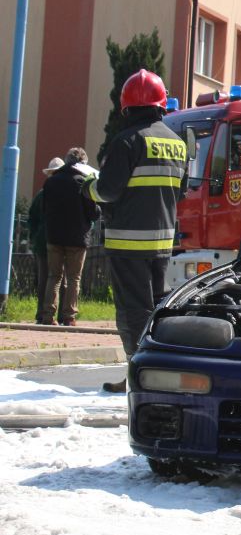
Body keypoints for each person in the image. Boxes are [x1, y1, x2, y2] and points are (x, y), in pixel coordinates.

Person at [81, 70, 187, 393]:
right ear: (161, 105)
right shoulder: (178, 144)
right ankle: (157, 372)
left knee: (132, 311)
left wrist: (88, 188)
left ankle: (137, 377)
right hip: (162, 244)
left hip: (127, 243)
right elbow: (179, 193)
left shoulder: (127, 140)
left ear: (126, 107)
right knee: (156, 308)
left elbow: (108, 191)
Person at [42, 148, 100, 326]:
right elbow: (93, 213)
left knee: (54, 276)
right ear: (82, 163)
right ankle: (69, 316)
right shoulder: (83, 182)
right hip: (77, 237)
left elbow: (44, 209)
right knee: (74, 277)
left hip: (54, 236)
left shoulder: (51, 182)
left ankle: (48, 316)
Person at [28, 157, 64, 324]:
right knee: (55, 280)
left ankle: (43, 314)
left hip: (44, 242)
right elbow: (33, 218)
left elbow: (32, 219)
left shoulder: (43, 193)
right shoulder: (49, 193)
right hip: (52, 241)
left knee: (47, 280)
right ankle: (50, 314)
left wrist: (34, 237)